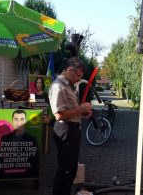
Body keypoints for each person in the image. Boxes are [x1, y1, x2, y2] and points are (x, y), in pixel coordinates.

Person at [48, 57, 92, 195]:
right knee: (65, 172)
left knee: (71, 170)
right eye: (78, 75)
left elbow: (69, 111)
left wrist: (82, 113)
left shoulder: (68, 86)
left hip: (72, 131)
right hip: (65, 131)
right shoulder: (58, 86)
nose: (79, 79)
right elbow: (59, 115)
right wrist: (80, 109)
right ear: (70, 70)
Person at [0, 110, 39, 179]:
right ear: (12, 121)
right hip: (6, 175)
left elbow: (34, 163)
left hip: (25, 175)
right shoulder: (4, 138)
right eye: (16, 119)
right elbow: (0, 161)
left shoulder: (32, 140)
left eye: (22, 119)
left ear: (25, 121)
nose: (19, 123)